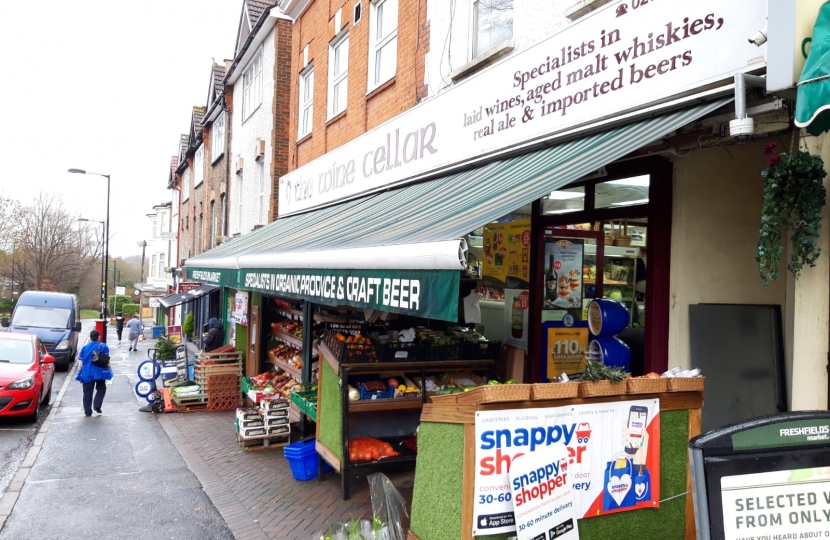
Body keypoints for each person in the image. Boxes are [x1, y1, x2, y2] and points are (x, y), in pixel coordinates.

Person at [76, 329, 113, 416]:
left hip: (87, 373)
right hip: (99, 372)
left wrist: (79, 372)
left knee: (87, 393)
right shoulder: (103, 346)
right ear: (98, 337)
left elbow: (80, 362)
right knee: (101, 389)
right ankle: (97, 405)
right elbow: (106, 359)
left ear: (90, 337)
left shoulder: (84, 348)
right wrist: (109, 368)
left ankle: (87, 411)